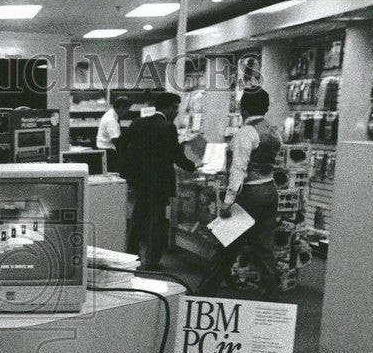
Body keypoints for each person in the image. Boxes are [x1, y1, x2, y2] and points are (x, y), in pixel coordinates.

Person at [197, 87, 283, 298]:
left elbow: (238, 170)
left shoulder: (245, 133)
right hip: (270, 190)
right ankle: (272, 294)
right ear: (266, 108)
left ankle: (205, 293)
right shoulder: (273, 131)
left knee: (225, 245)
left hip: (250, 194)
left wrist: (227, 201)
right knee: (264, 247)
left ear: (242, 108)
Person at [122, 92, 196, 271]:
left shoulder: (138, 123)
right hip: (160, 182)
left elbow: (122, 144)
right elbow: (176, 156)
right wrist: (193, 167)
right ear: (165, 107)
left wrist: (131, 171)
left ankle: (131, 255)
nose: (177, 112)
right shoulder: (167, 127)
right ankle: (152, 261)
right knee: (157, 221)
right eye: (175, 108)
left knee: (138, 218)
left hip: (141, 181)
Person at [95, 95, 130, 173]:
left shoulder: (111, 114)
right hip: (108, 152)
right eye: (126, 110)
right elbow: (116, 141)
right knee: (113, 174)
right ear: (121, 107)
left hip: (106, 150)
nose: (126, 113)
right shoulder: (111, 119)